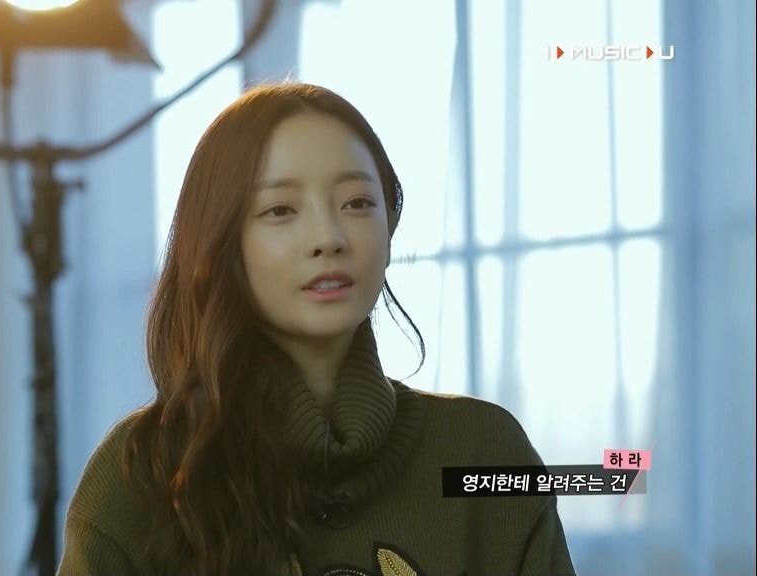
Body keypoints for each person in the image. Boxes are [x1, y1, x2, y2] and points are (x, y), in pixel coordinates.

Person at [57, 83, 576, 576]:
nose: (328, 237)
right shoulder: (141, 474)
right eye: (280, 209)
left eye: (358, 203)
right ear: (219, 244)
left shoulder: (483, 450)